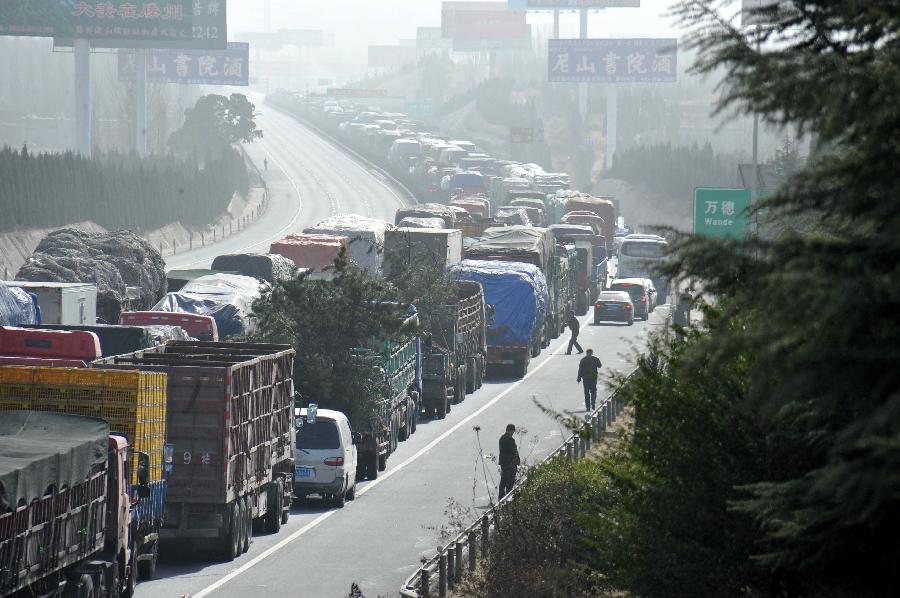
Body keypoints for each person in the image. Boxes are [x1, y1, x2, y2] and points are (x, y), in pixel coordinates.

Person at [498, 424, 520, 498]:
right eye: (513, 430)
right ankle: (507, 498)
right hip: (509, 464)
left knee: (503, 481)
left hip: (504, 463)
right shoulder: (509, 439)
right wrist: (516, 461)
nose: (514, 432)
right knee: (509, 482)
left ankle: (501, 497)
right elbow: (513, 452)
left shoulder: (502, 438)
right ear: (511, 430)